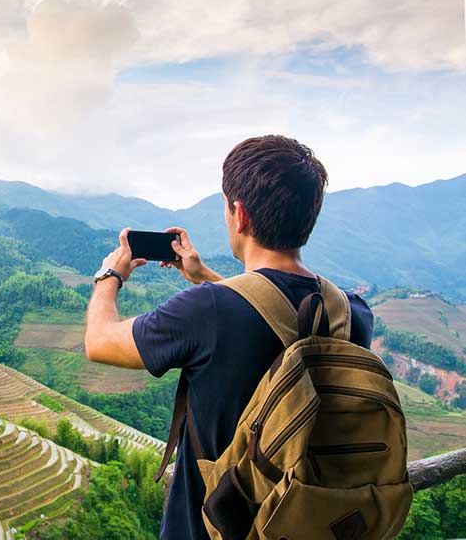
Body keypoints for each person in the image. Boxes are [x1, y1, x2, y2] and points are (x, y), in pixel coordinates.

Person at [83, 135, 374, 540]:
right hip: (311, 522)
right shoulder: (351, 312)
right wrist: (204, 275)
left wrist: (109, 276)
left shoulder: (206, 312)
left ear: (239, 215)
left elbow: (99, 341)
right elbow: (277, 318)